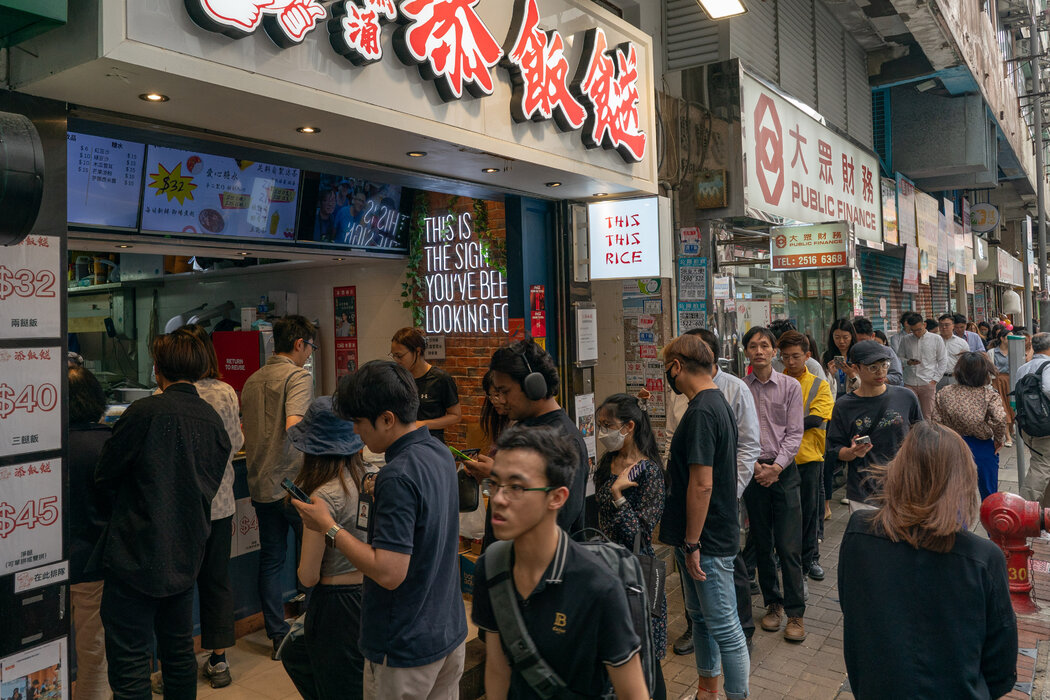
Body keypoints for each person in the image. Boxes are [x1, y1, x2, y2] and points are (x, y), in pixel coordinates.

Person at [292, 361, 466, 699]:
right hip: (447, 631)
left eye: (359, 422)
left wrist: (328, 528)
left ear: (387, 418)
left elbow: (389, 572)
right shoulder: (439, 452)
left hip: (405, 646)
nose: (356, 433)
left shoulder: (397, 475)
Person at [95, 330, 230, 699]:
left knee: (130, 663)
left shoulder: (143, 413)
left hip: (134, 554)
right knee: (179, 653)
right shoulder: (211, 421)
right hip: (186, 556)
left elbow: (105, 473)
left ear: (157, 371)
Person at [838, 423, 1017, 699]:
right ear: (963, 480)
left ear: (898, 470)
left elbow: (854, 617)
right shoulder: (982, 558)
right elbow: (1001, 668)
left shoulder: (861, 532)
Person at [471, 425, 650, 700]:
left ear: (557, 497)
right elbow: (497, 669)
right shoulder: (491, 567)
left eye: (516, 487)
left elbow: (633, 693)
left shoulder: (599, 587)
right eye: (494, 484)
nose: (498, 498)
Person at [659, 333, 750, 700]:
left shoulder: (701, 410)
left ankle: (736, 695)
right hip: (697, 537)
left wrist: (693, 542)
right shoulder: (714, 401)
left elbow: (702, 485)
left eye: (668, 370)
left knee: (726, 627)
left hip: (706, 540)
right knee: (701, 620)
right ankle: (707, 690)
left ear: (677, 367)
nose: (669, 377)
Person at [280, 397, 369, 700]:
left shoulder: (320, 499)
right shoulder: (368, 480)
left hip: (334, 607)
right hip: (369, 595)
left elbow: (308, 576)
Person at [241, 314, 317, 655]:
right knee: (313, 558)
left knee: (271, 559)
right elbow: (295, 425)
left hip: (260, 483)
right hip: (293, 485)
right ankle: (313, 628)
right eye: (309, 347)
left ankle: (277, 636)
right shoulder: (298, 377)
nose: (309, 354)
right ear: (299, 344)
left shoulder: (252, 380)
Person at [178, 324, 244, 688]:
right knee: (217, 582)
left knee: (180, 586)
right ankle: (219, 661)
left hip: (183, 507)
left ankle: (180, 661)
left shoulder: (169, 394)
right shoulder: (225, 392)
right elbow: (235, 443)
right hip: (220, 504)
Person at [467, 338, 588, 535]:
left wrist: (499, 478)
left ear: (535, 386)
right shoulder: (522, 428)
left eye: (505, 391)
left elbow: (552, 525)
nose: (502, 401)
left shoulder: (565, 442)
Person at [593, 394, 667, 699]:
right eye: (600, 426)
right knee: (611, 655)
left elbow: (640, 532)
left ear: (630, 426)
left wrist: (619, 495)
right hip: (605, 568)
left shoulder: (650, 472)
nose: (602, 433)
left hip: (637, 572)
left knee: (645, 658)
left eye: (608, 425)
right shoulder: (607, 463)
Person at [742, 326, 806, 642]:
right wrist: (756, 467)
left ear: (773, 351)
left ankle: (796, 614)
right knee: (762, 542)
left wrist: (776, 467)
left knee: (788, 544)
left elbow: (795, 433)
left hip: (785, 472)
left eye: (764, 345)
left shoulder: (791, 386)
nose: (759, 350)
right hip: (753, 473)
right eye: (752, 346)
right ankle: (773, 605)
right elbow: (739, 434)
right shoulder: (740, 388)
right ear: (746, 353)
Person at [825, 341, 923, 511]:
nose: (881, 372)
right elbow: (835, 448)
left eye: (884, 365)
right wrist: (851, 452)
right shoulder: (844, 405)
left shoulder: (906, 397)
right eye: (873, 367)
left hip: (903, 486)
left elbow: (920, 436)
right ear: (856, 368)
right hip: (864, 491)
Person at [68, 366, 111, 700]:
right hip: (95, 564)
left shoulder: (47, 448)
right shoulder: (107, 444)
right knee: (94, 654)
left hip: (46, 566)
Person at [777, 331, 834, 582]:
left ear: (807, 356)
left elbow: (816, 418)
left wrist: (785, 424)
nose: (791, 361)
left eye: (796, 356)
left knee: (810, 512)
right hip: (780, 459)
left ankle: (811, 559)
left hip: (809, 457)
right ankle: (784, 556)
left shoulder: (819, 385)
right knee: (783, 512)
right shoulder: (776, 381)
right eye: (786, 357)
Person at [931, 352, 1007, 501]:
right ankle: (991, 521)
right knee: (989, 491)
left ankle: (959, 522)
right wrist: (999, 439)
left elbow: (935, 419)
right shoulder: (989, 394)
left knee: (954, 491)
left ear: (958, 371)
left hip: (952, 444)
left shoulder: (945, 392)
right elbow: (999, 418)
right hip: (982, 446)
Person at [390, 327, 461, 443]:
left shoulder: (440, 378)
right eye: (393, 355)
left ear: (417, 351)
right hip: (404, 444)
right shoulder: (399, 378)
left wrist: (423, 424)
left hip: (431, 445)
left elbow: (455, 416)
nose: (396, 360)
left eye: (400, 356)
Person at [1015, 333, 1050, 503]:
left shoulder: (1024, 367)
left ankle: (1043, 516)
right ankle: (1023, 511)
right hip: (1045, 427)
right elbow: (1049, 389)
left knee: (1044, 464)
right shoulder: (1048, 366)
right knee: (1041, 466)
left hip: (1028, 425)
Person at [897, 310, 946, 419]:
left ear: (924, 325)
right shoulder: (906, 339)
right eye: (913, 331)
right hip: (909, 381)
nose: (916, 333)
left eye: (919, 329)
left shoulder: (936, 339)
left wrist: (934, 381)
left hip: (927, 381)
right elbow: (899, 357)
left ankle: (927, 435)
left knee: (928, 415)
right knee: (910, 413)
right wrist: (908, 362)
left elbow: (942, 361)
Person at [851, 317, 902, 386]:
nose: (860, 344)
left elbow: (897, 377)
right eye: (856, 340)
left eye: (863, 340)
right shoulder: (852, 352)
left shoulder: (886, 351)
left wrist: (878, 379)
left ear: (873, 336)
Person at [988, 327, 1016, 447]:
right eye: (1008, 336)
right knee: (1002, 407)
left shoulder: (1014, 350)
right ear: (1002, 338)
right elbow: (989, 369)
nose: (1011, 339)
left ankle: (1011, 430)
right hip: (997, 381)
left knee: (1012, 407)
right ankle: (1007, 436)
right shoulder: (993, 352)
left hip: (1011, 380)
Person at [822, 318, 857, 398]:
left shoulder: (857, 356)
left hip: (853, 399)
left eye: (845, 337)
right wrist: (830, 374)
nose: (841, 341)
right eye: (837, 337)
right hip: (833, 399)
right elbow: (822, 385)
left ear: (852, 336)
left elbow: (864, 385)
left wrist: (852, 375)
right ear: (832, 337)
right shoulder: (826, 356)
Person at [936, 313, 970, 388]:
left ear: (953, 326)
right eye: (941, 325)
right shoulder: (934, 341)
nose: (944, 327)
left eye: (947, 325)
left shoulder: (961, 343)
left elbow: (966, 362)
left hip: (955, 378)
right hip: (937, 378)